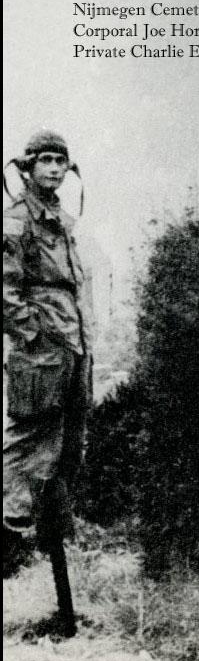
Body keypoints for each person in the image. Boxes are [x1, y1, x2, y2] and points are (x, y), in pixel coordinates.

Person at [3, 130, 93, 575]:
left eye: (62, 161)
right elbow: (4, 289)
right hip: (42, 351)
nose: (55, 168)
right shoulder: (16, 221)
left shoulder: (60, 220)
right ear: (28, 167)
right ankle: (9, 533)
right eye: (46, 161)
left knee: (68, 446)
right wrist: (33, 337)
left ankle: (50, 538)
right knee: (28, 443)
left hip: (73, 347)